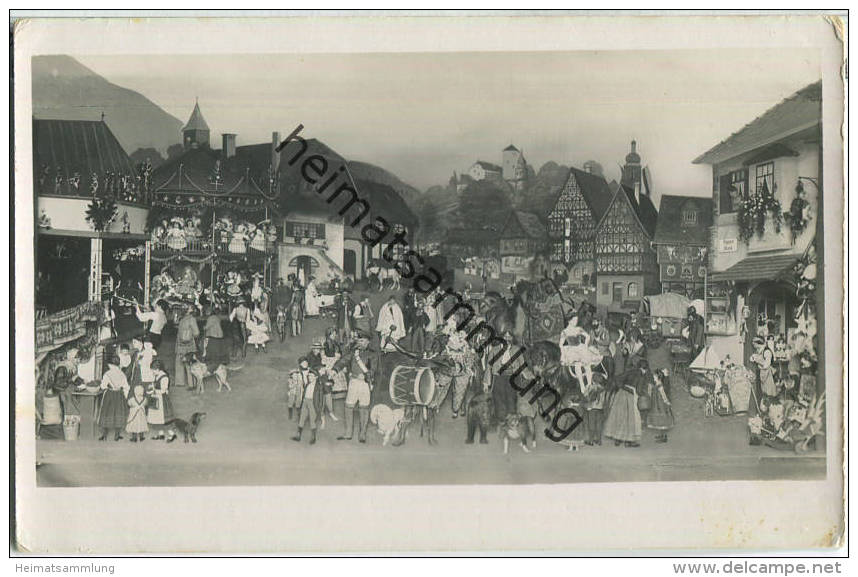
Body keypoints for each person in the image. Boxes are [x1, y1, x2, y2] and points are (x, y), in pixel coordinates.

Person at [336, 334, 373, 443]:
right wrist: (335, 369)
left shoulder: (372, 354)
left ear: (368, 342)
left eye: (362, 341)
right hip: (353, 382)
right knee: (348, 407)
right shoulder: (354, 352)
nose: (360, 343)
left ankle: (362, 434)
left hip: (365, 384)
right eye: (359, 340)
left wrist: (366, 375)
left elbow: (374, 369)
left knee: (364, 408)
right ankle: (348, 433)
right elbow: (343, 361)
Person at [603, 361, 646, 448]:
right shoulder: (641, 376)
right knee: (630, 418)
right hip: (630, 396)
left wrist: (622, 387)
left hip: (620, 394)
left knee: (619, 416)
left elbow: (617, 378)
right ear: (645, 369)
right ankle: (629, 441)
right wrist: (644, 394)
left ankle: (617, 439)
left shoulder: (630, 372)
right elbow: (639, 390)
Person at [98, 355, 129, 441]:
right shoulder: (122, 374)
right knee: (118, 413)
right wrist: (126, 397)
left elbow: (103, 386)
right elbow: (126, 386)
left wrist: (105, 386)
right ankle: (117, 436)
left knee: (106, 413)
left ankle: (104, 435)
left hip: (110, 395)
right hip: (119, 395)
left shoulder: (107, 374)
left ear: (110, 364)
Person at [292, 369, 324, 445]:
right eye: (309, 376)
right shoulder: (307, 384)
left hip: (312, 403)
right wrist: (302, 402)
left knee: (312, 420)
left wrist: (319, 409)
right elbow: (304, 394)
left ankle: (313, 437)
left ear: (316, 377)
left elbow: (321, 399)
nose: (309, 377)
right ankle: (298, 435)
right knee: (302, 418)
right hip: (305, 402)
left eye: (311, 376)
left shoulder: (319, 386)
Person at [146, 359, 174, 438]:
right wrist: (152, 386)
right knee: (158, 417)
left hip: (162, 399)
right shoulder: (157, 375)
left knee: (164, 417)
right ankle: (161, 433)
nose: (152, 372)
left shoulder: (164, 377)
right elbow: (155, 384)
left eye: (153, 370)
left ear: (158, 369)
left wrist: (154, 391)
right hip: (156, 398)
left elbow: (163, 391)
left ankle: (172, 434)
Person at [175, 304, 199, 388]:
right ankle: (191, 383)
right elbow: (196, 333)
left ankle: (179, 382)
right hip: (189, 345)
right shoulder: (192, 319)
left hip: (180, 344)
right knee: (189, 363)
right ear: (190, 310)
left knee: (179, 362)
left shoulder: (181, 319)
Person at [647, 368, 674, 443]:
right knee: (659, 421)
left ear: (658, 377)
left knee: (663, 420)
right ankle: (661, 435)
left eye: (654, 376)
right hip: (656, 404)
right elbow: (651, 393)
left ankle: (664, 437)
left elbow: (664, 396)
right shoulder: (656, 385)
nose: (653, 377)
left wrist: (667, 402)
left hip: (661, 405)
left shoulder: (660, 386)